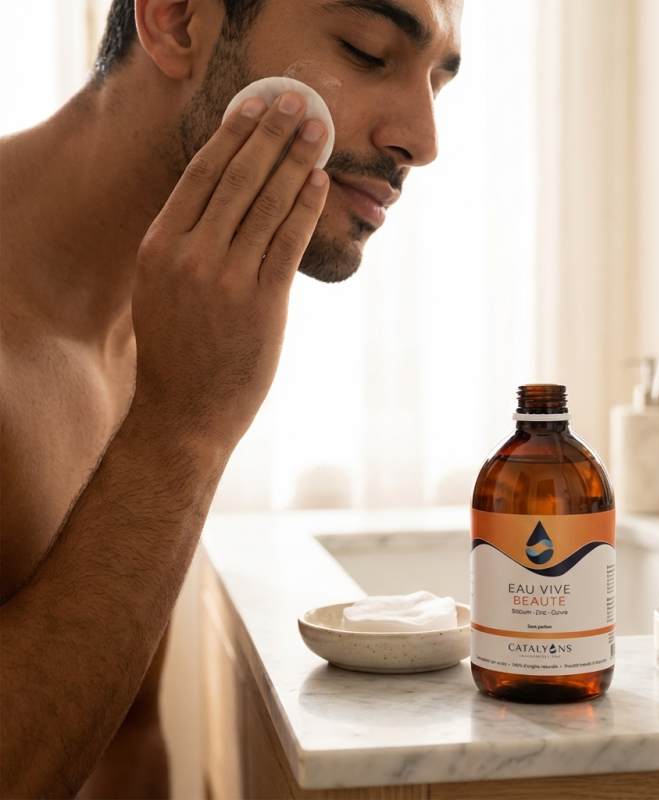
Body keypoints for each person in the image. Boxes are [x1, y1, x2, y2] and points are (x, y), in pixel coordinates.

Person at [0, 0, 462, 795]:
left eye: (438, 83)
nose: (422, 141)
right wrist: (186, 429)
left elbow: (124, 736)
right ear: (178, 21)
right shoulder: (181, 371)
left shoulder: (168, 324)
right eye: (365, 50)